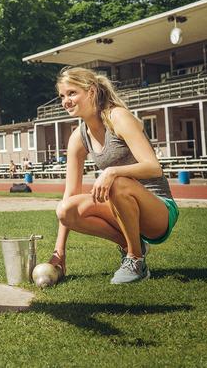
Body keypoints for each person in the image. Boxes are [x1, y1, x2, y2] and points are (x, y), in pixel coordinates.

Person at [50, 67, 179, 284]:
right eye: (62, 96)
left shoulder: (117, 116)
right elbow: (70, 194)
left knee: (117, 183)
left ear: (90, 92)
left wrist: (112, 171)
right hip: (120, 209)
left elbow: (153, 167)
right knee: (65, 210)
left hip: (158, 211)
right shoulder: (78, 137)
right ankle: (132, 245)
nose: (66, 101)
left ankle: (136, 261)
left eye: (72, 93)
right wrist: (59, 252)